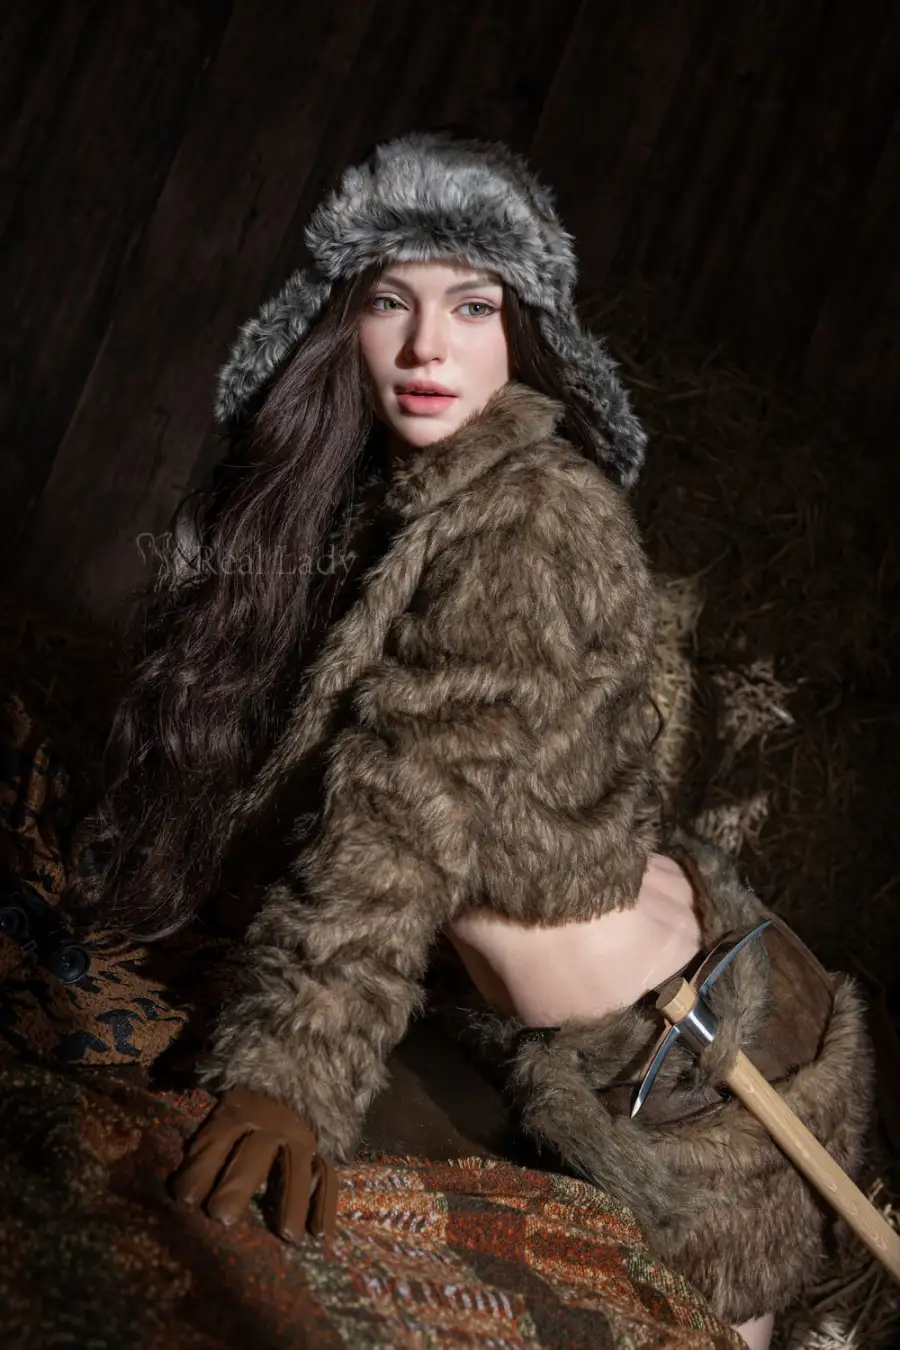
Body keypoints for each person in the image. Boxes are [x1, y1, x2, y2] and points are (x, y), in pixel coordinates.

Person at [74, 131, 872, 1349]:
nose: (426, 347)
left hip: (691, 1067)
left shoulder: (538, 518)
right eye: (389, 300)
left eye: (474, 305)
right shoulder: (394, 502)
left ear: (523, 334)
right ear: (342, 319)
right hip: (598, 1009)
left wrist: (288, 1078)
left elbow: (402, 815)